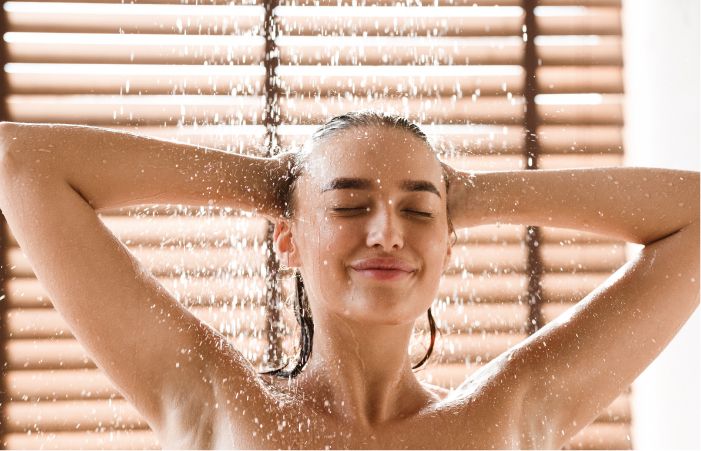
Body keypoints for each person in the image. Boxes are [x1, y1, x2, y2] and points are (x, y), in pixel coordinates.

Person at [0, 111, 698, 449]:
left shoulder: (509, 414)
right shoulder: (218, 403)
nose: (388, 231)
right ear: (288, 241)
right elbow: (21, 162)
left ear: (448, 240)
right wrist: (281, 185)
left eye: (420, 209)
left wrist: (478, 194)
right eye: (349, 204)